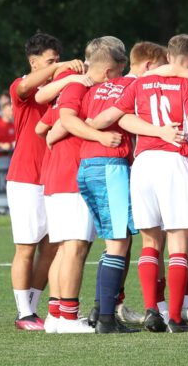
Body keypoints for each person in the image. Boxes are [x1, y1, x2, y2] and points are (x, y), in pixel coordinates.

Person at [105, 34, 188, 333]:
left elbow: (121, 118)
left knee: (150, 243)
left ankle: (153, 310)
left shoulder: (139, 82)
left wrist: (154, 131)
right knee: (177, 242)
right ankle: (174, 317)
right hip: (174, 160)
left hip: (143, 163)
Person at [40, 41, 126, 333]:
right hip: (70, 174)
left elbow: (46, 127)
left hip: (61, 173)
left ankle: (55, 313)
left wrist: (57, 133)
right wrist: (97, 135)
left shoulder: (78, 85)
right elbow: (64, 120)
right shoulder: (80, 85)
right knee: (75, 247)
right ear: (106, 69)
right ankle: (68, 316)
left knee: (66, 248)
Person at [7, 32, 83, 331]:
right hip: (26, 176)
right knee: (26, 247)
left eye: (56, 60)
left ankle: (36, 307)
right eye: (49, 61)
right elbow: (26, 86)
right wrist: (59, 69)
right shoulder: (20, 86)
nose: (55, 66)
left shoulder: (59, 91)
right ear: (33, 61)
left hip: (53, 176)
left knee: (52, 247)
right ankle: (24, 313)